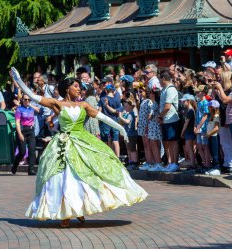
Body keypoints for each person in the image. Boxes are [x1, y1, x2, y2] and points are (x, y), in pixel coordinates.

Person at [11, 68, 147, 228]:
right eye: (75, 86)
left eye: (79, 86)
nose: (78, 89)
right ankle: (66, 213)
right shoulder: (57, 104)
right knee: (63, 178)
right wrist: (18, 80)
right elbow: (34, 96)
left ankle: (79, 208)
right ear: (67, 88)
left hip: (82, 141)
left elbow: (102, 116)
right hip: (62, 144)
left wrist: (121, 128)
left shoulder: (83, 105)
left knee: (86, 174)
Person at [12, 93, 41, 176]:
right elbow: (17, 123)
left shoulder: (31, 108)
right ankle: (15, 164)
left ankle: (31, 170)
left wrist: (30, 105)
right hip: (22, 130)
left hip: (31, 131)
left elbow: (38, 110)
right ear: (22, 100)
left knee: (32, 150)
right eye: (25, 99)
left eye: (29, 99)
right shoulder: (19, 109)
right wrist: (20, 134)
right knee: (22, 152)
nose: (27, 101)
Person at [194, 85, 211, 170]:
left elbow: (205, 116)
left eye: (198, 92)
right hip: (198, 126)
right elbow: (197, 115)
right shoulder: (199, 102)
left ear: (204, 93)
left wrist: (198, 127)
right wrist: (195, 126)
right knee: (199, 146)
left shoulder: (206, 103)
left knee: (205, 146)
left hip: (203, 127)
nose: (197, 93)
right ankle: (204, 162)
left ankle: (207, 163)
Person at [180, 94, 196, 168]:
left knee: (189, 149)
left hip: (189, 132)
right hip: (189, 132)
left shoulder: (190, 111)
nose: (182, 103)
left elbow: (186, 123)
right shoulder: (191, 110)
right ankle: (192, 163)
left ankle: (192, 163)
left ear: (188, 101)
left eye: (184, 101)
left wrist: (182, 132)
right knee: (189, 148)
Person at [206, 100, 221, 175]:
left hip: (214, 137)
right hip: (210, 137)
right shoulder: (211, 116)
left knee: (215, 153)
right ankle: (213, 167)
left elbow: (216, 128)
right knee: (212, 152)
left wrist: (209, 133)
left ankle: (217, 168)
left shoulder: (216, 116)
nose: (208, 108)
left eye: (209, 107)